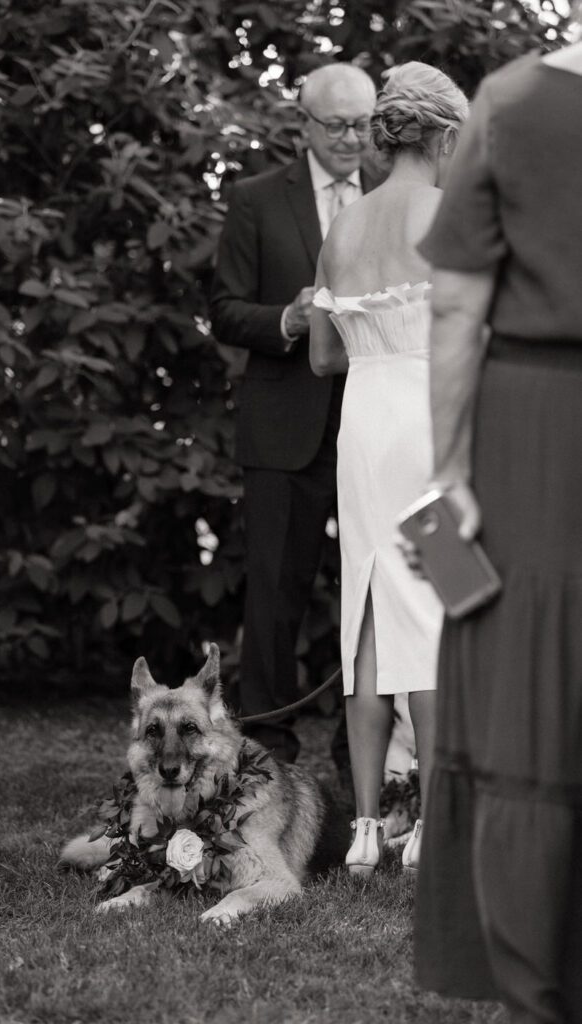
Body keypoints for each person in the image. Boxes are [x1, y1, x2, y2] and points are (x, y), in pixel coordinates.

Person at [410, 41, 582, 1024]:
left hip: (535, 437)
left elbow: (455, 306)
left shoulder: (511, 103)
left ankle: (535, 986)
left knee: (527, 696)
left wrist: (447, 475)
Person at [309, 62, 469, 873]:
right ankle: (435, 825)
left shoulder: (343, 227)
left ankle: (368, 829)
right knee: (440, 612)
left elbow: (321, 355)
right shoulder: (450, 217)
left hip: (363, 430)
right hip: (430, 428)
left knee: (368, 616)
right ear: (444, 136)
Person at [210, 63, 380, 766]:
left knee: (372, 589)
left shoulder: (395, 195)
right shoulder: (255, 198)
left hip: (375, 420)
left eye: (364, 124)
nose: (352, 138)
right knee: (275, 593)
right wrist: (288, 317)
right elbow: (224, 309)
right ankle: (267, 750)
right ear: (303, 125)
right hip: (284, 425)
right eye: (336, 125)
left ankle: (361, 747)